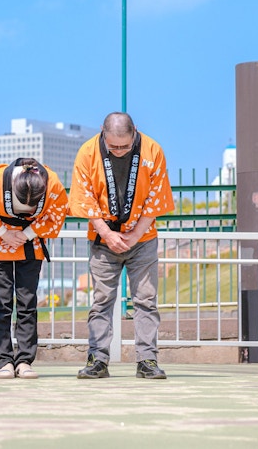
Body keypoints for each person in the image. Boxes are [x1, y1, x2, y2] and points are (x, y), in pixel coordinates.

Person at [69, 112, 174, 380]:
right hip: (103, 239)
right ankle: (97, 360)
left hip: (143, 238)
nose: (118, 151)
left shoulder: (152, 150)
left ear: (135, 133)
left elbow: (157, 197)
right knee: (102, 300)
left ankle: (147, 360)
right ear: (102, 133)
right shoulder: (87, 152)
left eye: (124, 146)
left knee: (146, 300)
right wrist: (107, 233)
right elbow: (84, 199)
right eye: (112, 146)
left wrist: (136, 234)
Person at [0, 158, 68, 379]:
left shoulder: (53, 184)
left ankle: (24, 359)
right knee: (1, 301)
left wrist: (26, 234)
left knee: (27, 301)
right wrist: (3, 233)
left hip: (31, 243)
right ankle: (3, 359)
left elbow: (56, 216)